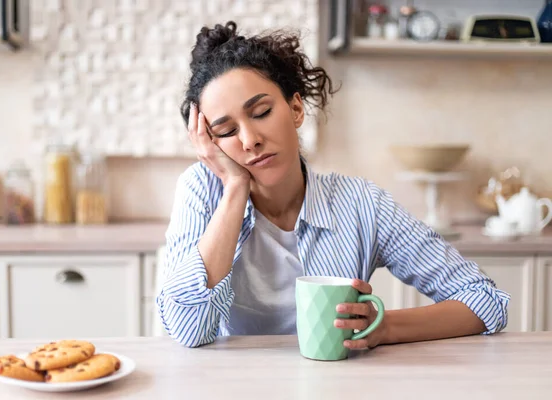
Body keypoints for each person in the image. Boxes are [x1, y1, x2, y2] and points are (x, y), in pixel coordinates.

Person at [156, 21, 510, 348]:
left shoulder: (360, 203)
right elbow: (187, 328)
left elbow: (485, 301)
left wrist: (384, 328)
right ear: (210, 143)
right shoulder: (201, 190)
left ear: (296, 109)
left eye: (261, 112)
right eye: (227, 131)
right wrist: (235, 187)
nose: (249, 140)